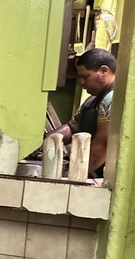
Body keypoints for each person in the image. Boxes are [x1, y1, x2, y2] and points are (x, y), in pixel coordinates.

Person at [46, 48, 116, 178]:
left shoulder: (113, 99)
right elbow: (73, 126)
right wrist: (47, 140)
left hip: (105, 175)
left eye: (85, 77)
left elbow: (101, 146)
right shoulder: (92, 100)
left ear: (104, 71)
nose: (81, 82)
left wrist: (72, 174)